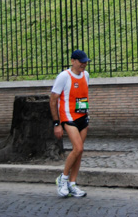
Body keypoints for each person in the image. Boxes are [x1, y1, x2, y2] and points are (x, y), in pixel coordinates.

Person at [49, 49, 91, 197]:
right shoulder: (63, 76)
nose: (84, 64)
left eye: (86, 62)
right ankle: (63, 178)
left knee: (79, 152)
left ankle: (72, 184)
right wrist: (57, 124)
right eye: (81, 62)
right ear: (73, 61)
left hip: (82, 117)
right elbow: (53, 100)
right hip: (68, 117)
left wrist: (87, 115)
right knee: (78, 148)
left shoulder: (86, 75)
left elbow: (84, 96)